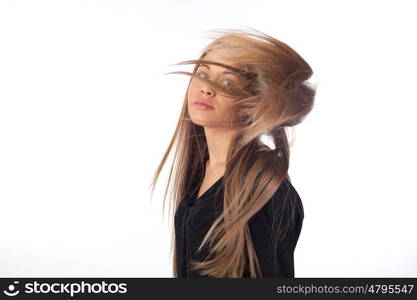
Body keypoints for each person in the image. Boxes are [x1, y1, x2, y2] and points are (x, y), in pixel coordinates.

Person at [150, 27, 316, 278]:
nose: (206, 88)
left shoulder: (267, 192)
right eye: (203, 73)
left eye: (227, 82)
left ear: (255, 103)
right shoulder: (202, 172)